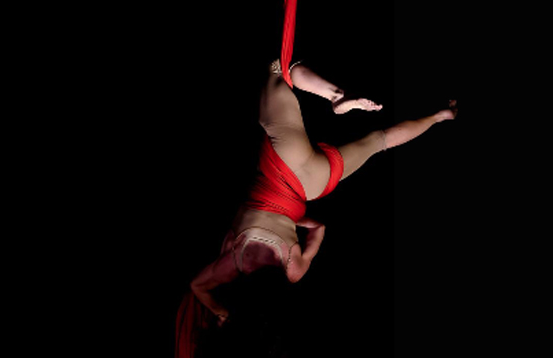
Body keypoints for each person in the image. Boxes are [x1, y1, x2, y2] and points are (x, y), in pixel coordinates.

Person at [191, 59, 457, 326]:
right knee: (277, 68)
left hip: (314, 184)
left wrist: (290, 217)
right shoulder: (231, 264)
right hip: (284, 161)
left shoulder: (293, 272)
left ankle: (440, 116)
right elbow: (197, 287)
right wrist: (219, 312)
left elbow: (319, 227)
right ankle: (337, 96)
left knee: (381, 141)